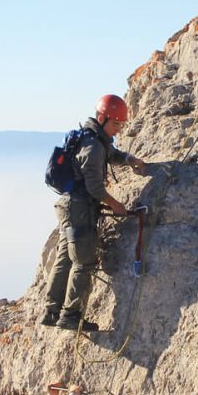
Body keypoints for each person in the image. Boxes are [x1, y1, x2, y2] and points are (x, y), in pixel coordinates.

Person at [42, 94, 149, 333]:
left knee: (66, 257)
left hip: (69, 207)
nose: (118, 131)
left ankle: (51, 310)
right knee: (85, 261)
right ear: (102, 118)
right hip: (79, 209)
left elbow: (110, 153)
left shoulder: (92, 139)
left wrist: (130, 159)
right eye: (115, 125)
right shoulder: (92, 145)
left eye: (121, 126)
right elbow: (94, 187)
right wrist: (114, 204)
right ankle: (71, 315)